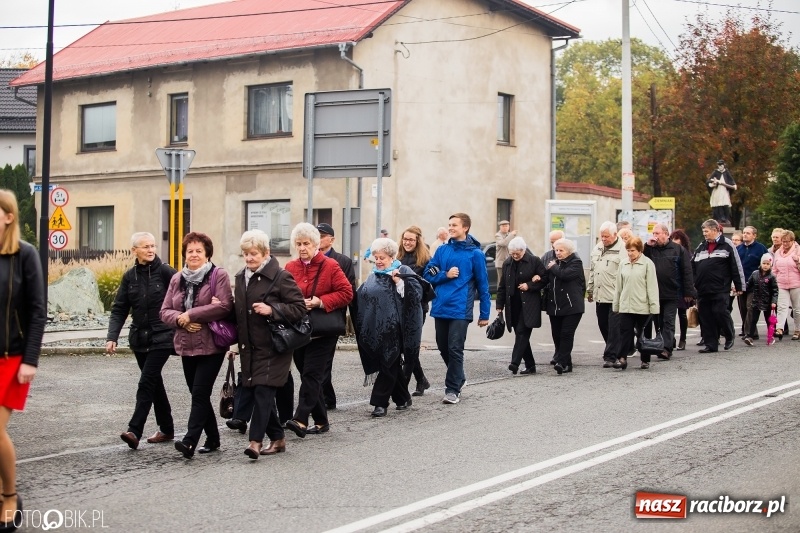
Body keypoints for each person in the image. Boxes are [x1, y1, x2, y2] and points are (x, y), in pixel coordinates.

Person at [230, 230, 306, 459]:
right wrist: (233, 346)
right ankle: (278, 438)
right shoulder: (240, 277)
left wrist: (273, 310)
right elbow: (239, 315)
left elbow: (300, 309)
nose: (249, 258)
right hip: (249, 348)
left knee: (263, 391)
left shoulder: (281, 277)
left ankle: (255, 441)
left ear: (266, 253)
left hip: (275, 346)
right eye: (246, 254)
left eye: (254, 253)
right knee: (256, 390)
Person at [160, 232, 233, 458]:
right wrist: (181, 320)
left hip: (212, 345)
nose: (194, 254)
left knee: (200, 393)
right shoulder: (176, 279)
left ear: (207, 254)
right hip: (186, 344)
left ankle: (190, 441)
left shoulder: (218, 275)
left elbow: (224, 306)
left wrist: (191, 314)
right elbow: (164, 311)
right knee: (197, 394)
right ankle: (213, 438)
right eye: (190, 251)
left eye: (198, 251)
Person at [0, 189, 45, 529]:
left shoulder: (24, 255)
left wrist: (30, 359)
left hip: (11, 358)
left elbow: (37, 310)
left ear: (8, 217)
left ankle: (10, 496)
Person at [108, 232, 177, 450]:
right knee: (154, 383)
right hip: (139, 339)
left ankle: (134, 430)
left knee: (146, 382)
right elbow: (119, 308)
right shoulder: (130, 277)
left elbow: (184, 293)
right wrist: (112, 337)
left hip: (162, 337)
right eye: (145, 246)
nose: (150, 250)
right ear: (134, 251)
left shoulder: (165, 272)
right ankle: (167, 428)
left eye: (153, 246)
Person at [283, 223, 353, 438]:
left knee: (312, 375)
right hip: (299, 329)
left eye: (306, 243)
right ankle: (321, 420)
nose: (302, 247)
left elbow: (347, 292)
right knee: (306, 373)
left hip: (324, 331)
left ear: (315, 244)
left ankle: (301, 418)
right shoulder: (290, 267)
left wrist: (320, 302)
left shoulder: (330, 265)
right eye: (298, 244)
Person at [423, 213, 491, 404]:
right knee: (443, 347)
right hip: (440, 306)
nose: (450, 227)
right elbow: (429, 273)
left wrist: (484, 314)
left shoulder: (475, 254)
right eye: (449, 224)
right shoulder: (442, 251)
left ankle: (452, 389)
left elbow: (483, 285)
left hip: (461, 309)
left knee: (454, 348)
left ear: (465, 228)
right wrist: (445, 274)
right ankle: (459, 376)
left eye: (454, 225)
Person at [355, 238, 423, 417]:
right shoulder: (374, 275)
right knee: (389, 362)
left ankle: (380, 403)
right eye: (376, 257)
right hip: (378, 328)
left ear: (392, 257)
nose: (378, 261)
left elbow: (416, 296)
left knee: (389, 362)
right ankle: (403, 397)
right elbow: (363, 295)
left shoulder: (403, 270)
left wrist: (399, 283)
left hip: (397, 329)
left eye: (382, 258)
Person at [316, 223, 356, 412]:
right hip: (310, 317)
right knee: (313, 363)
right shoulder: (308, 259)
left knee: (324, 361)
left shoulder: (342, 261)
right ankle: (326, 398)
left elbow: (348, 292)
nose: (318, 238)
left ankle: (323, 399)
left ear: (331, 239)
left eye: (322, 235)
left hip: (331, 317)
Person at [692, 219, 745, 353]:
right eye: (703, 231)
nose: (704, 234)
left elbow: (736, 265)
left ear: (715, 230)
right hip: (703, 288)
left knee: (720, 312)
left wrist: (739, 286)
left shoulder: (727, 244)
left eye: (706, 231)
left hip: (720, 287)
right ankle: (711, 344)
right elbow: (692, 267)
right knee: (706, 316)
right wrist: (692, 285)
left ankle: (729, 334)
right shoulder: (701, 246)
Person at [496, 237, 547, 374]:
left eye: (517, 253)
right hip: (513, 305)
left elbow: (545, 279)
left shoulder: (534, 261)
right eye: (512, 253)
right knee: (521, 335)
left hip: (529, 304)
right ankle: (530, 365)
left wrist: (529, 285)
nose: (514, 256)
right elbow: (502, 287)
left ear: (523, 250)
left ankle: (515, 363)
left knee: (522, 332)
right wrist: (499, 305)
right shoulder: (508, 263)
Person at [644, 224, 695, 360]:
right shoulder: (650, 249)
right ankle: (666, 343)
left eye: (658, 233)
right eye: (653, 233)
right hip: (655, 293)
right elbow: (641, 259)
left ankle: (666, 349)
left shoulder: (678, 249)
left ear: (666, 234)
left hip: (672, 292)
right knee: (659, 322)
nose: (655, 236)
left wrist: (689, 292)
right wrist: (647, 245)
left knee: (668, 321)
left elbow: (687, 271)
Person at [614, 236, 660, 370]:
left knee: (644, 334)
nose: (630, 253)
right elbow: (619, 286)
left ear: (640, 250)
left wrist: (654, 307)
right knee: (625, 333)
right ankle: (622, 358)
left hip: (642, 305)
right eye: (628, 250)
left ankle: (645, 359)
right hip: (626, 306)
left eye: (632, 250)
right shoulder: (623, 263)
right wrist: (616, 304)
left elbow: (652, 286)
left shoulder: (647, 264)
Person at [396, 225, 432, 396]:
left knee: (410, 346)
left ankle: (403, 386)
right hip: (398, 307)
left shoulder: (425, 260)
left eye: (411, 239)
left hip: (417, 308)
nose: (407, 242)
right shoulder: (397, 257)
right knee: (405, 347)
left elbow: (427, 285)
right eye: (405, 239)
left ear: (418, 241)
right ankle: (422, 380)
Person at [544, 237, 585, 375]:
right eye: (556, 250)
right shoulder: (555, 263)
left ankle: (561, 362)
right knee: (557, 335)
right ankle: (567, 363)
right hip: (555, 306)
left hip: (572, 306)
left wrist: (553, 267)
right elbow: (546, 279)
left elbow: (565, 275)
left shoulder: (576, 262)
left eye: (561, 250)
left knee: (566, 334)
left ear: (569, 251)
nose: (558, 253)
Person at [587, 221, 625, 368]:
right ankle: (616, 349)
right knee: (603, 324)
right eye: (602, 236)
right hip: (600, 293)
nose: (603, 239)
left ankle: (610, 355)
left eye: (606, 236)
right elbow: (593, 270)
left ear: (615, 235)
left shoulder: (623, 249)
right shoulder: (598, 248)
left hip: (616, 294)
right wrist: (590, 290)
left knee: (614, 326)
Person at [736, 226, 768, 338]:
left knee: (751, 307)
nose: (745, 235)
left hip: (755, 284)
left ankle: (749, 332)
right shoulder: (738, 249)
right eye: (744, 233)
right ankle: (751, 332)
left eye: (748, 233)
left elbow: (766, 266)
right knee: (743, 308)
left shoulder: (761, 248)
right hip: (741, 283)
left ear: (754, 235)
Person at [744, 254, 778, 346]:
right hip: (756, 300)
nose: (765, 265)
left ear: (770, 265)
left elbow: (775, 290)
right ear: (761, 264)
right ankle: (750, 337)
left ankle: (770, 336)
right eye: (764, 263)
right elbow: (748, 284)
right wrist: (741, 288)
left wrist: (774, 302)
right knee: (753, 320)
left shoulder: (771, 277)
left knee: (768, 320)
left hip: (767, 302)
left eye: (768, 263)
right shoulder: (755, 274)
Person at [772, 229, 800, 341]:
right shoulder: (778, 252)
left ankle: (797, 330)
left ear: (793, 241)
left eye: (787, 241)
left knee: (797, 309)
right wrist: (774, 281)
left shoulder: (798, 251)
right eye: (783, 241)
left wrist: (798, 261)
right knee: (782, 307)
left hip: (796, 283)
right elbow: (774, 269)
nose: (785, 244)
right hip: (781, 283)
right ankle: (779, 329)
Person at [669, 229, 693, 350]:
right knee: (670, 315)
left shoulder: (686, 254)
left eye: (677, 238)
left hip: (682, 287)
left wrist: (689, 291)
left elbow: (689, 273)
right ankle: (671, 338)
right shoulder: (669, 251)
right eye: (672, 238)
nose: (674, 241)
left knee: (682, 314)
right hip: (671, 287)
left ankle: (683, 338)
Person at [706, 159, 737, 224]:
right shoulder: (715, 172)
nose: (720, 167)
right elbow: (709, 182)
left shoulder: (726, 172)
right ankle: (720, 218)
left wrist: (734, 185)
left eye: (721, 165)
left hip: (724, 190)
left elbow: (731, 180)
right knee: (718, 204)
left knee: (725, 203)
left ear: (723, 165)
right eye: (719, 165)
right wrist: (713, 184)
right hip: (717, 190)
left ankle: (726, 218)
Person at [494, 220, 516, 287]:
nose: (505, 227)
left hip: (510, 262)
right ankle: (500, 296)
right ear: (500, 227)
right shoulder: (498, 235)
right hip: (501, 263)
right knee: (501, 281)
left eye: (506, 226)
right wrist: (511, 235)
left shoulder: (510, 235)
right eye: (503, 226)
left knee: (510, 280)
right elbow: (503, 243)